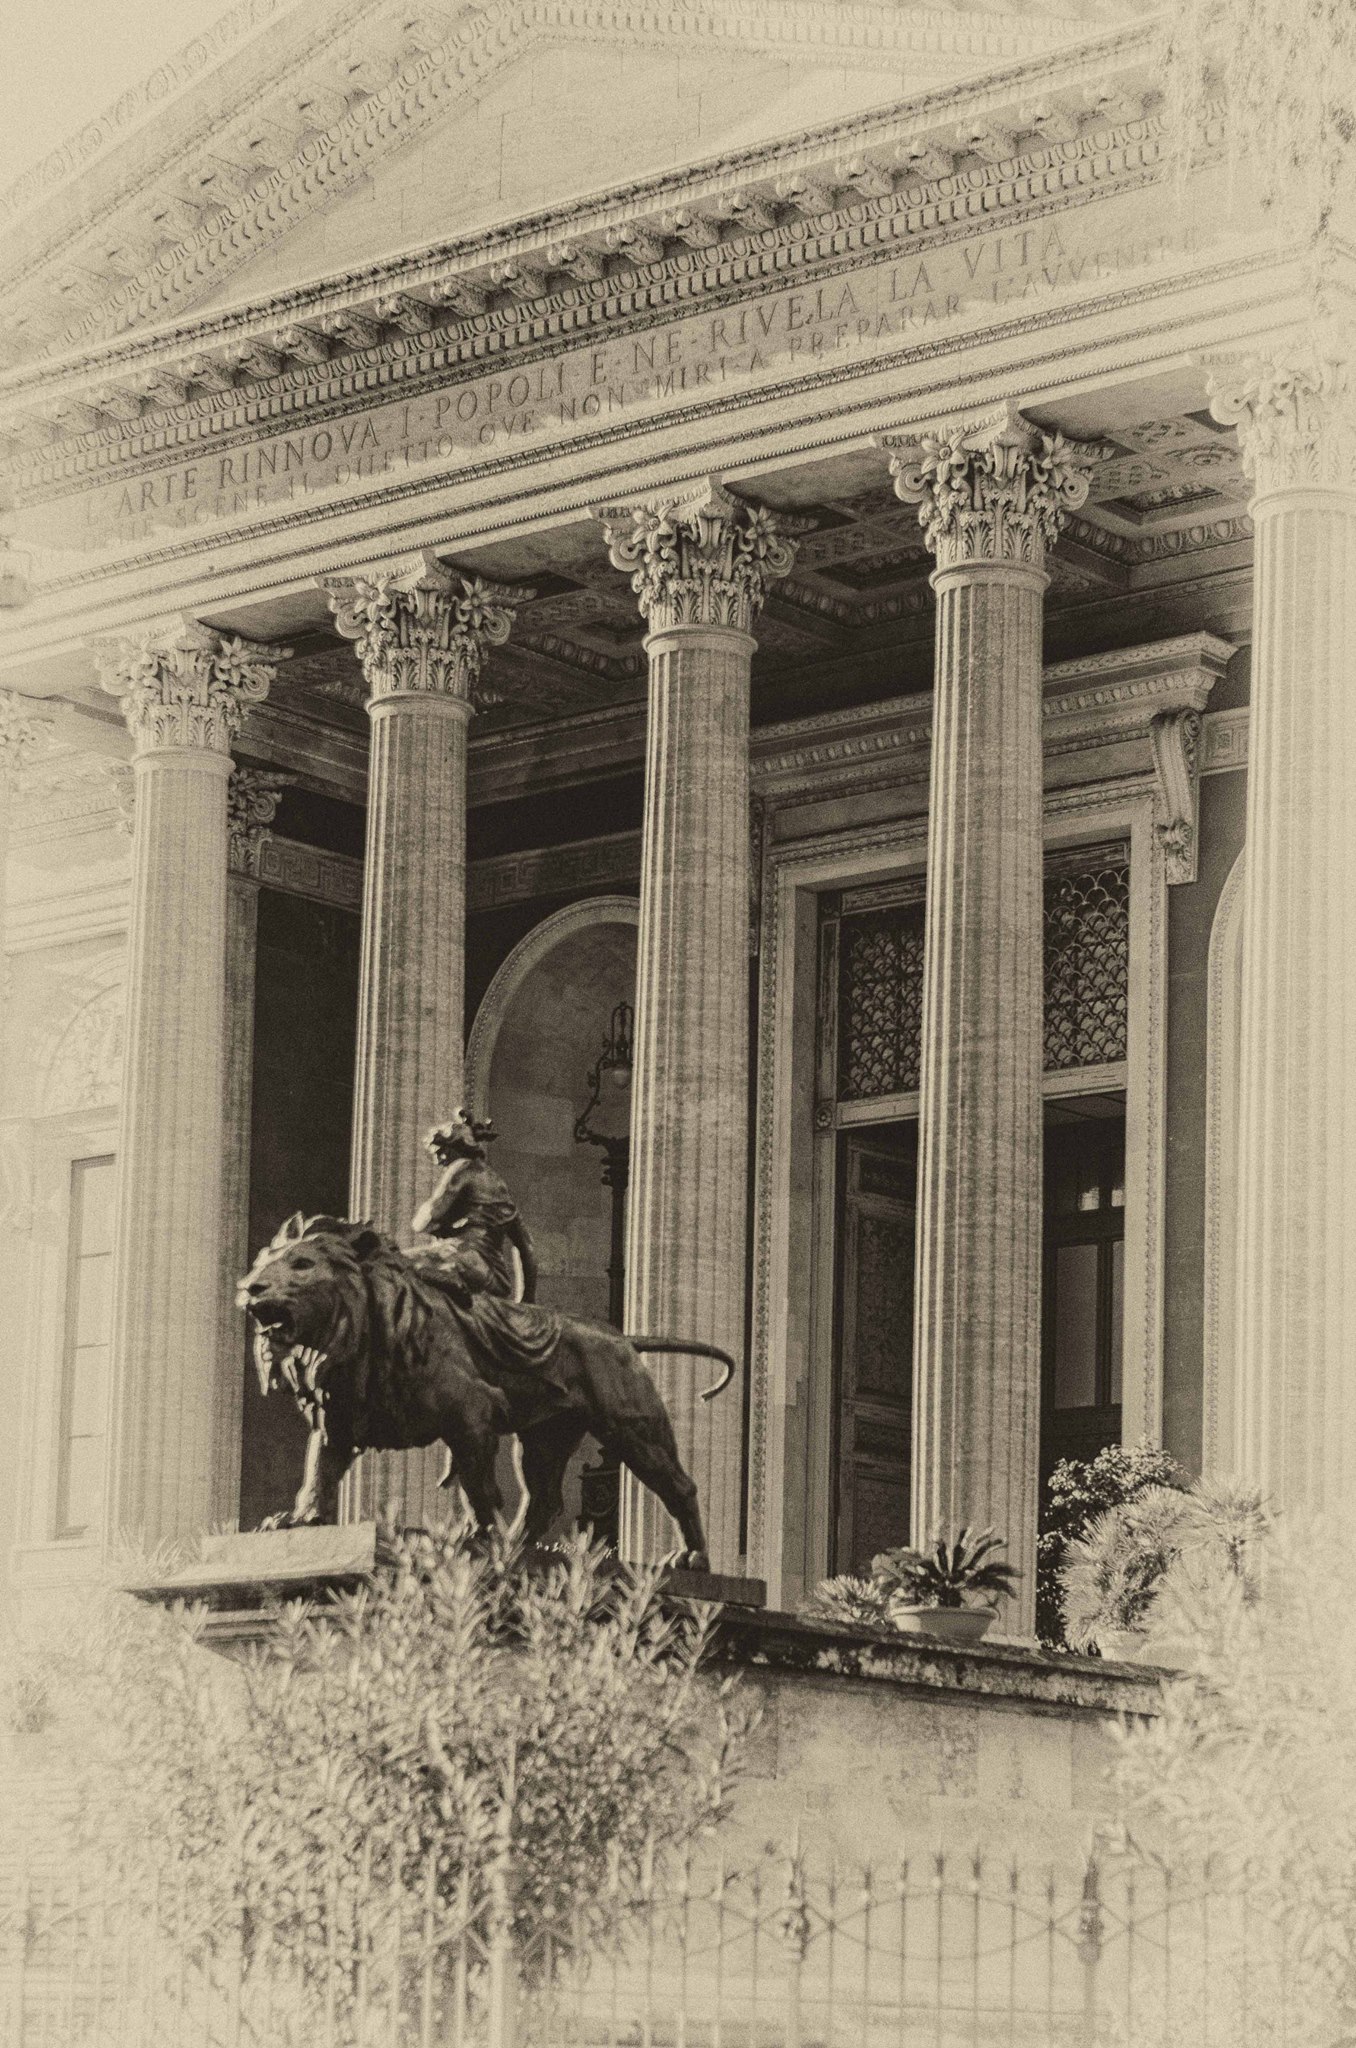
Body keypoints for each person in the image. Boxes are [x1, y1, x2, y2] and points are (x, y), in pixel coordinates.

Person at [411, 1108, 539, 1304]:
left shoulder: (462, 1167)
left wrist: (439, 1226)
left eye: (439, 1153)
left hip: (466, 1260)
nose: (437, 1161)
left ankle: (455, 1288)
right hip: (496, 1279)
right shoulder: (499, 1185)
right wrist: (527, 1298)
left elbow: (425, 1219)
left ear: (456, 1147)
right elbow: (526, 1246)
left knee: (399, 1264)